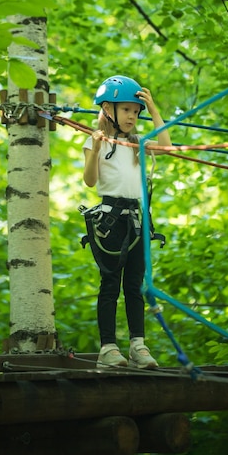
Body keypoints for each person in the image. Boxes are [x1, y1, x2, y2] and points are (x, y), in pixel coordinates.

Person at [82, 75, 171, 369]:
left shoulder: (138, 144)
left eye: (136, 111)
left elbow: (166, 146)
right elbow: (90, 181)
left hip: (137, 219)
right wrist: (95, 148)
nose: (133, 116)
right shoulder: (95, 140)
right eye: (127, 110)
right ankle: (108, 348)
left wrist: (154, 109)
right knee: (110, 285)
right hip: (110, 219)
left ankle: (138, 346)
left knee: (134, 286)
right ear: (108, 109)